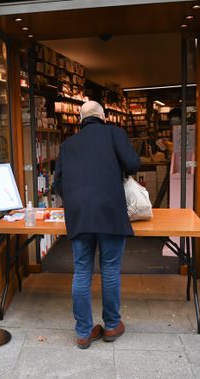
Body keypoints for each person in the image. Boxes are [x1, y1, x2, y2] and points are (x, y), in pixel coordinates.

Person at [53, 100, 140, 349]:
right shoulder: (114, 133)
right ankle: (111, 325)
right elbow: (133, 164)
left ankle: (83, 332)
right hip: (109, 211)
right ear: (103, 116)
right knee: (110, 269)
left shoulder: (68, 145)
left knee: (82, 271)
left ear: (81, 119)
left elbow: (57, 184)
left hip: (79, 215)